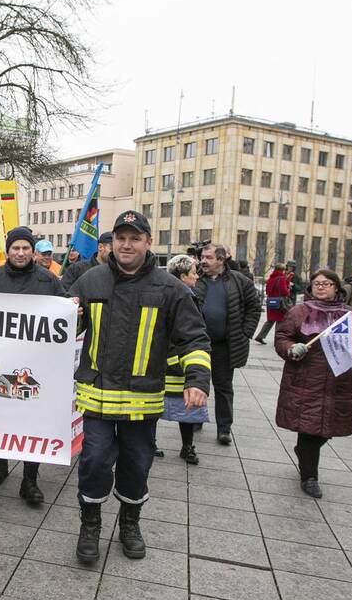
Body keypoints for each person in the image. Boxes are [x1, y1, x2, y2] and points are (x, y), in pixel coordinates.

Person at [68, 211, 210, 562]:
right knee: (94, 462)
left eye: (134, 238)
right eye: (120, 238)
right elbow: (61, 332)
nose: (126, 244)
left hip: (141, 402)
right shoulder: (89, 282)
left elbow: (194, 339)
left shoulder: (171, 289)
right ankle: (91, 525)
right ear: (112, 242)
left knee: (136, 464)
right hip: (98, 397)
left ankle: (130, 523)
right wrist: (68, 314)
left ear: (148, 243)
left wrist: (197, 380)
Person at [274, 269, 352, 498]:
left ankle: (305, 453)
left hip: (338, 382)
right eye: (317, 283)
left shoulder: (350, 315)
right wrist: (290, 348)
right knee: (309, 428)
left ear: (337, 287)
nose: (321, 287)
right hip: (305, 381)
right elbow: (282, 338)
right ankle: (310, 477)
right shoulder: (299, 312)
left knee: (326, 429)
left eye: (326, 283)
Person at [0, 225, 64, 502]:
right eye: (16, 248)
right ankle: (0, 463)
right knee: (0, 414)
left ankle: (30, 479)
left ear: (33, 252)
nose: (21, 252)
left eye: (26, 248)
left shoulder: (48, 281)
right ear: (8, 250)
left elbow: (63, 316)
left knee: (32, 420)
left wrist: (75, 312)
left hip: (34, 364)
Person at [193, 244, 261, 445]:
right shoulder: (195, 280)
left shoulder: (240, 281)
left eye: (209, 257)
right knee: (196, 383)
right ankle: (195, 420)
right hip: (197, 344)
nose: (203, 261)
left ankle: (224, 428)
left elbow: (254, 307)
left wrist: (246, 332)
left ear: (221, 260)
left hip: (224, 346)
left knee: (223, 387)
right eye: (202, 257)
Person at [162, 254, 208, 465]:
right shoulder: (173, 296)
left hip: (185, 364)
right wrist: (173, 358)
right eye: (193, 273)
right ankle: (151, 444)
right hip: (171, 362)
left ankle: (187, 446)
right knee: (155, 406)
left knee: (188, 408)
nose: (197, 277)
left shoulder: (189, 295)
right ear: (182, 276)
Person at [255, 262, 291, 344]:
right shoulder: (281, 278)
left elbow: (267, 291)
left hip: (271, 301)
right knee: (280, 321)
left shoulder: (271, 278)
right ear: (282, 270)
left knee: (270, 320)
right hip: (279, 303)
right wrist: (288, 290)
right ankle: (277, 339)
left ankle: (260, 336)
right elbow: (284, 291)